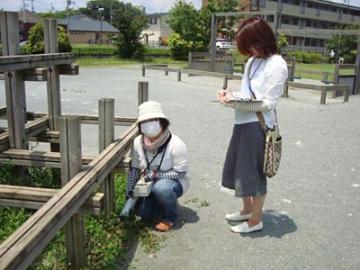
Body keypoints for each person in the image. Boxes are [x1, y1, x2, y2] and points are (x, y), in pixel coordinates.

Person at [218, 17, 288, 233]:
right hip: (241, 122)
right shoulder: (252, 61)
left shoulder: (277, 64)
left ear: (262, 39)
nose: (249, 50)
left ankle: (256, 220)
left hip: (258, 126)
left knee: (254, 173)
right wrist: (230, 95)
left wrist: (236, 102)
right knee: (239, 168)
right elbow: (248, 94)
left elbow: (268, 103)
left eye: (250, 45)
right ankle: (247, 209)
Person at [125, 101, 189, 232]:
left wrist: (156, 175)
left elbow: (181, 172)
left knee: (162, 188)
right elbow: (135, 167)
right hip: (149, 182)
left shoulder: (176, 143)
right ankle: (160, 203)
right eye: (145, 121)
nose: (149, 124)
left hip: (173, 181)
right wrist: (130, 188)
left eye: (153, 120)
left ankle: (170, 216)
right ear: (140, 126)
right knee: (144, 214)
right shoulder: (137, 142)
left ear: (162, 122)